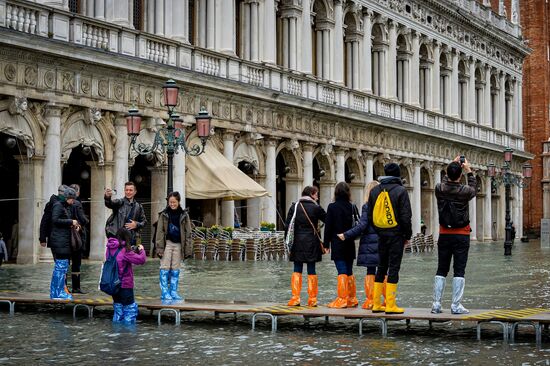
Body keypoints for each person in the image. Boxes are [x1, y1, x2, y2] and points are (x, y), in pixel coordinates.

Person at [431, 157, 476, 315]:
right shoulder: (465, 191)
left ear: (447, 174)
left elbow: (445, 182)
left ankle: (436, 304)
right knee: (459, 270)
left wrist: (452, 164)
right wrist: (469, 171)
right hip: (461, 235)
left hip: (444, 234)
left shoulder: (439, 189)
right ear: (460, 175)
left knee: (441, 269)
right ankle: (456, 305)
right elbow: (473, 187)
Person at [368, 163, 412, 314]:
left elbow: (370, 216)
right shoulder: (401, 191)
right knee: (393, 267)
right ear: (397, 175)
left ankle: (375, 304)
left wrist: (379, 231)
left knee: (381, 267)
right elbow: (406, 217)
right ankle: (391, 305)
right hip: (396, 235)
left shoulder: (374, 191)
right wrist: (407, 235)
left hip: (381, 235)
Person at [337, 181, 386, 310]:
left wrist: (346, 235)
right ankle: (386, 301)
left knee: (371, 271)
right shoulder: (386, 205)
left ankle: (371, 301)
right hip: (385, 241)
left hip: (370, 243)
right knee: (383, 270)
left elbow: (362, 225)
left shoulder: (367, 206)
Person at [285, 186, 327, 307]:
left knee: (297, 268)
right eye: (316, 194)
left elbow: (287, 226)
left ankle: (295, 298)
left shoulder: (294, 207)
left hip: (297, 241)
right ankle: (312, 299)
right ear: (312, 194)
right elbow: (328, 219)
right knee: (311, 269)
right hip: (312, 242)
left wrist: (287, 243)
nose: (318, 197)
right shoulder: (316, 208)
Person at [324, 182, 358, 308]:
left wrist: (326, 244)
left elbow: (328, 227)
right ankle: (352, 298)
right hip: (350, 242)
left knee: (341, 270)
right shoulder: (352, 206)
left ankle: (342, 299)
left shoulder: (332, 207)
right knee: (349, 270)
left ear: (336, 192)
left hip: (338, 242)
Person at [154, 191, 192, 301]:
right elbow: (159, 232)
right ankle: (165, 292)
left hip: (179, 244)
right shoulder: (164, 214)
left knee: (175, 268)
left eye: (174, 202)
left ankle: (173, 291)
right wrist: (159, 247)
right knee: (164, 267)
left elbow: (188, 233)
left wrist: (188, 248)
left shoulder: (184, 215)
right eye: (170, 202)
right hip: (167, 243)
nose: (172, 204)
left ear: (178, 202)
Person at [106, 227, 147, 323]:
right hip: (125, 285)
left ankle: (116, 333)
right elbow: (141, 260)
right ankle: (128, 334)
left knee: (118, 310)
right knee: (130, 311)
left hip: (113, 285)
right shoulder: (125, 251)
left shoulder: (109, 249)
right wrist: (141, 250)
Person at [49, 187, 79, 300]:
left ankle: (57, 291)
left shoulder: (65, 207)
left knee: (62, 267)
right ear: (67, 198)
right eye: (72, 199)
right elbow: (55, 220)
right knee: (60, 267)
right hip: (59, 241)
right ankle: (57, 292)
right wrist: (71, 221)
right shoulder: (58, 205)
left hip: (63, 240)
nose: (73, 201)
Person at [104, 182, 147, 246]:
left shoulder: (139, 206)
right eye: (126, 190)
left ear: (135, 192)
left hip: (132, 239)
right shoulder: (120, 202)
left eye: (130, 190)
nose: (128, 192)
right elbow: (110, 204)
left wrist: (136, 224)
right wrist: (107, 197)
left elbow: (144, 222)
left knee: (132, 255)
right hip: (118, 238)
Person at [69, 184, 89, 293]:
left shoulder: (64, 204)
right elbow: (83, 219)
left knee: (65, 263)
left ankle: (64, 287)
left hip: (67, 237)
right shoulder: (77, 203)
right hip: (76, 237)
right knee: (76, 263)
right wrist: (86, 221)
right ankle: (76, 288)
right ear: (77, 192)